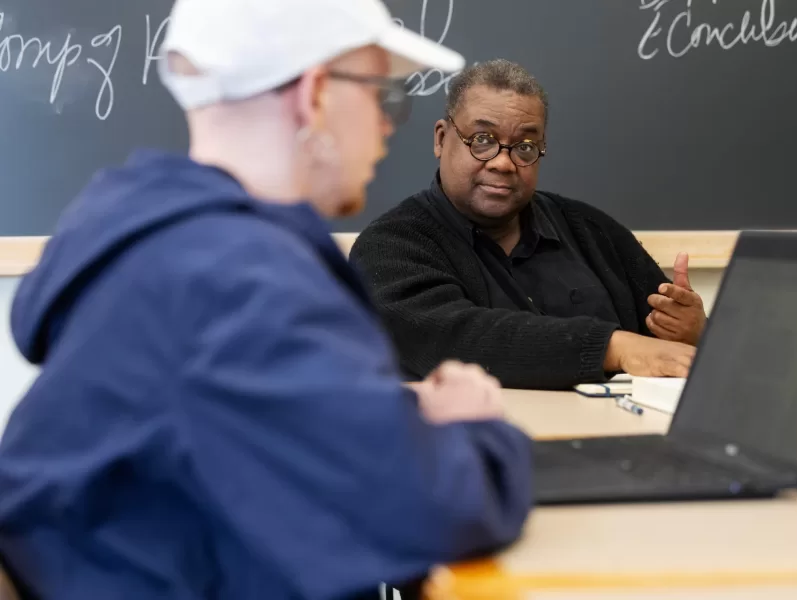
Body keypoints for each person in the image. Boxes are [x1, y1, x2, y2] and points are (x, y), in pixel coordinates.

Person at [0, 3, 533, 600]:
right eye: (382, 95)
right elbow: (437, 509)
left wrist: (402, 426)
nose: (388, 125)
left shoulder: (170, 245)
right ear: (315, 96)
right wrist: (475, 425)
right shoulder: (240, 279)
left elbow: (291, 433)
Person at [350, 59, 706, 391]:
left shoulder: (594, 232)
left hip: (624, 445)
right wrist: (611, 346)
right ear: (441, 139)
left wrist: (691, 332)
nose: (504, 164)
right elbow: (456, 338)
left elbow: (665, 350)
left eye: (524, 146)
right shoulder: (389, 247)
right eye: (483, 141)